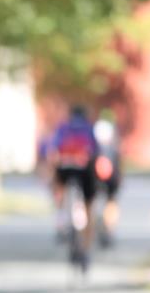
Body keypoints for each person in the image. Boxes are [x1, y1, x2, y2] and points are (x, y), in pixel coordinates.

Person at [48, 104, 99, 251]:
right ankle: (87, 245)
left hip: (64, 168)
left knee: (59, 190)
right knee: (89, 203)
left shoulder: (63, 127)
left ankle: (61, 218)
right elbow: (96, 151)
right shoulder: (89, 127)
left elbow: (54, 150)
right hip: (84, 169)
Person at [92, 113, 122, 247]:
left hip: (96, 179)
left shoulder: (93, 149)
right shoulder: (113, 150)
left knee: (91, 201)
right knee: (111, 202)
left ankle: (93, 227)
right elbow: (118, 169)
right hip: (111, 179)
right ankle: (109, 229)